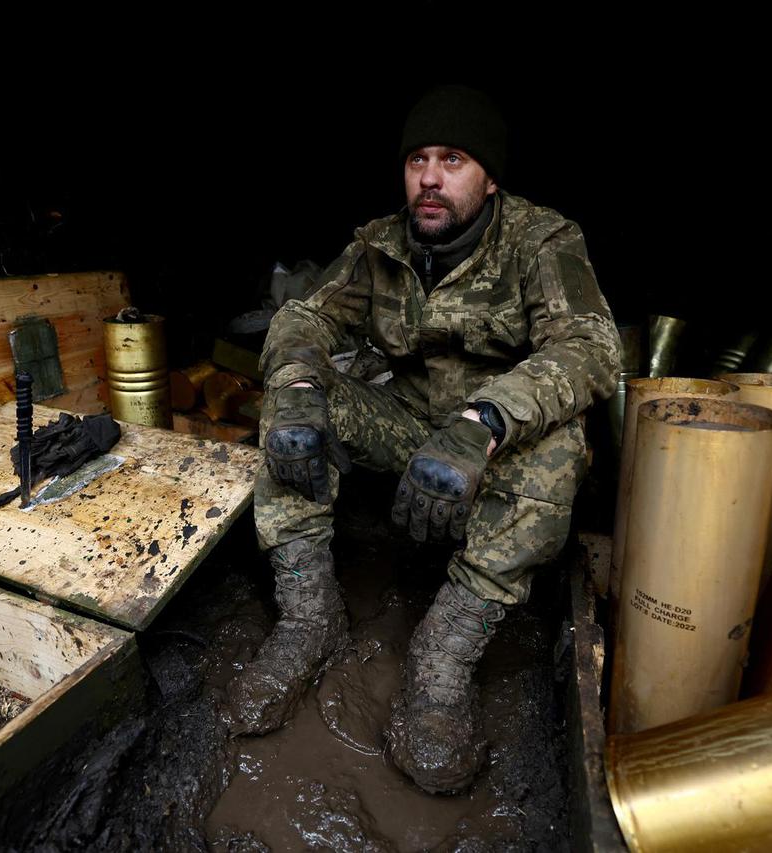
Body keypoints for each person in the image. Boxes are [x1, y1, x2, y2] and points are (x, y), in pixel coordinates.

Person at [227, 85, 621, 794]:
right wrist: (297, 384)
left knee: (564, 450)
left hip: (497, 443)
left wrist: (485, 421)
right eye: (418, 160)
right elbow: (306, 319)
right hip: (406, 423)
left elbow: (591, 349)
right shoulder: (378, 245)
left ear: (490, 176)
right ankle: (310, 616)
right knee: (294, 406)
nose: (430, 178)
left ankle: (443, 656)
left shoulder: (540, 240)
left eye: (454, 159)